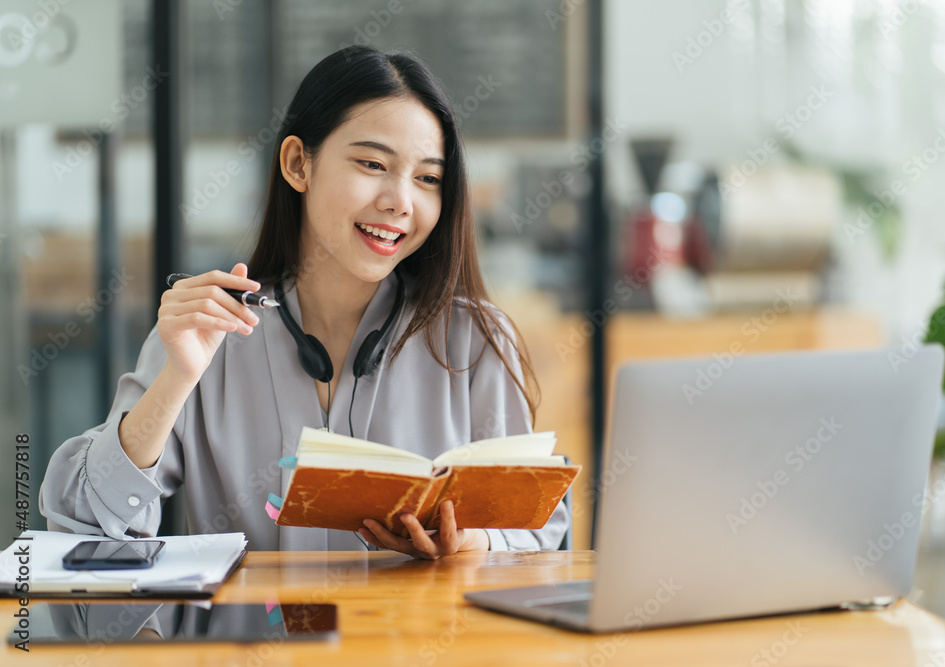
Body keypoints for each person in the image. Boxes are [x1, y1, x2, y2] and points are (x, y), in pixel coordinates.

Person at [39, 46, 568, 559]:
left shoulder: (472, 338)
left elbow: (534, 530)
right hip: (250, 646)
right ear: (298, 164)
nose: (401, 201)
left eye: (428, 178)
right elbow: (85, 524)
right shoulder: (209, 328)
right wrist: (177, 378)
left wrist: (476, 542)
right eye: (372, 164)